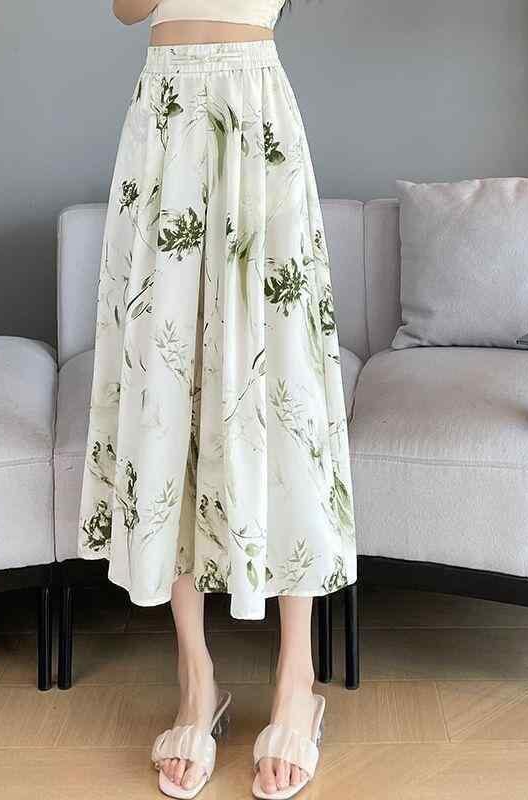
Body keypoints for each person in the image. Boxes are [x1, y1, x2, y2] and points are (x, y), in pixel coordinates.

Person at [79, 1, 357, 796]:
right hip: (165, 119)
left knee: (284, 382)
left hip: (255, 110)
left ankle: (297, 681)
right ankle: (196, 679)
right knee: (166, 386)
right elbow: (129, 9)